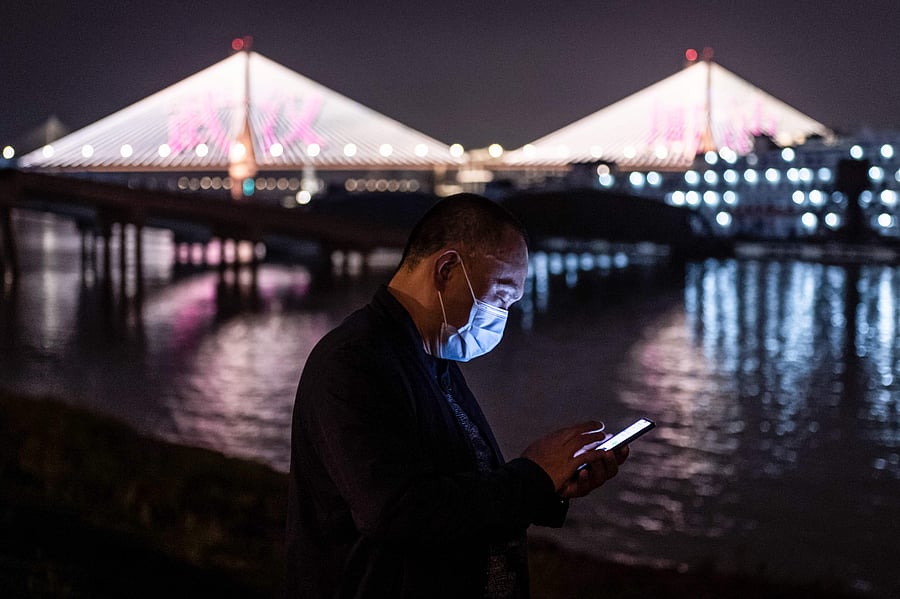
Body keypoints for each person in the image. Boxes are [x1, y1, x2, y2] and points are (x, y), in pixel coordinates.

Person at [285, 193, 628, 598]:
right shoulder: (353, 363)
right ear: (447, 269)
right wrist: (533, 477)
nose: (502, 314)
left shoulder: (433, 361)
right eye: (500, 296)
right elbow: (399, 512)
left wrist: (550, 485)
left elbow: (460, 493)